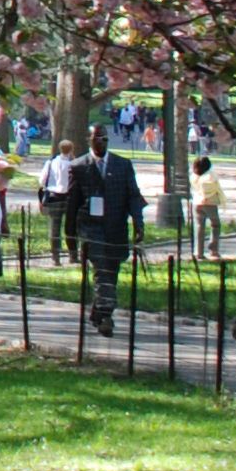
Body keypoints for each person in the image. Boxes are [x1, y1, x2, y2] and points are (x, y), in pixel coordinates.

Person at [73, 125, 145, 330]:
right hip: (91, 230)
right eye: (97, 138)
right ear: (89, 139)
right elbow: (73, 204)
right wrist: (70, 236)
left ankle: (98, 312)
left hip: (116, 229)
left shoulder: (122, 165)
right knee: (101, 269)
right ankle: (106, 316)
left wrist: (138, 224)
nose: (101, 142)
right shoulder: (79, 166)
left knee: (111, 272)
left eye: (105, 138)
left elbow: (133, 196)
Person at [191, 152, 225, 258]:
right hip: (210, 203)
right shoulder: (210, 176)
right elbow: (216, 187)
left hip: (197, 202)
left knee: (199, 226)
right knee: (215, 225)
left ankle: (198, 252)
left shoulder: (194, 176)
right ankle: (213, 250)